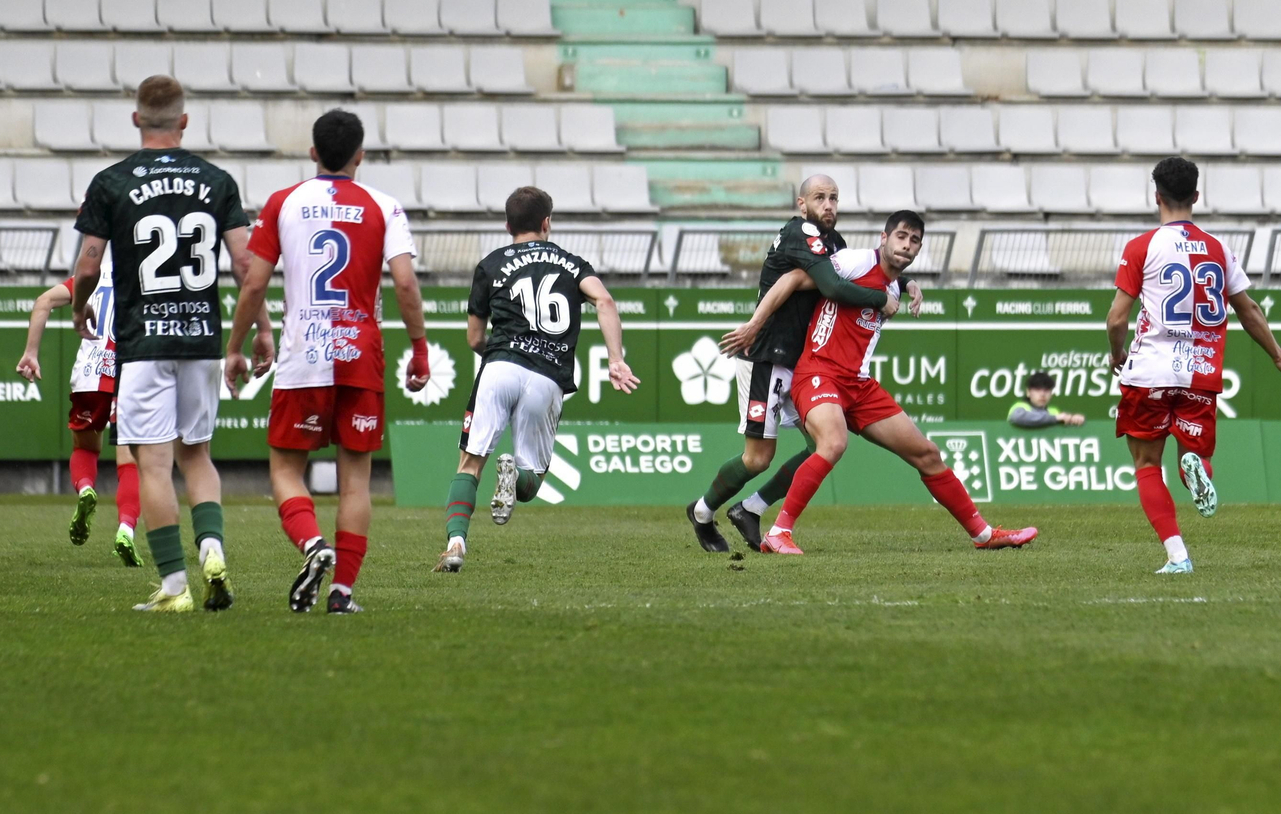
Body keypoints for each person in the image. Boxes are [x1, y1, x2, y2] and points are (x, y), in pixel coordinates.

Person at [71, 75, 274, 612]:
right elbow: (247, 266)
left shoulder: (111, 181)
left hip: (143, 343)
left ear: (136, 119)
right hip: (202, 339)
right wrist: (262, 327)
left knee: (154, 463)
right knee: (198, 455)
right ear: (184, 121)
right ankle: (212, 550)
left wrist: (78, 304)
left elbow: (89, 264)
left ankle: (175, 588)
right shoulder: (217, 180)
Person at [730, 211, 1038, 556]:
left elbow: (892, 278)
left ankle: (984, 535)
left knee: (928, 454)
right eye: (901, 237)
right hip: (818, 372)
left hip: (858, 385)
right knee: (832, 443)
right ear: (884, 237)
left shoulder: (895, 282)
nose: (906, 245)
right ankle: (779, 532)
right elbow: (794, 278)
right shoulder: (854, 260)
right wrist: (755, 323)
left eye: (914, 241)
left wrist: (908, 283)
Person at [225, 109, 431, 615]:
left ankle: (313, 545)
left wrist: (237, 345)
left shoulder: (282, 202)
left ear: (313, 152)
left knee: (285, 469)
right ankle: (342, 593)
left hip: (304, 354)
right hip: (360, 353)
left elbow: (254, 281)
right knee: (356, 479)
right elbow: (405, 283)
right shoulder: (385, 206)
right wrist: (420, 345)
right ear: (360, 155)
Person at [686, 174, 915, 554]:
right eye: (820, 198)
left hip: (802, 364)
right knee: (758, 459)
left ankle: (751, 509)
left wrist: (906, 283)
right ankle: (702, 512)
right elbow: (832, 287)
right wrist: (880, 299)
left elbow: (871, 267)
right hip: (767, 357)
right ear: (801, 203)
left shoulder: (834, 243)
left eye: (834, 199)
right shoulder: (801, 233)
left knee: (824, 445)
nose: (829, 206)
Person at [1107, 156, 1281, 574]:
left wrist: (1116, 354)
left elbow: (1117, 318)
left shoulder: (1142, 247)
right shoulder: (1218, 248)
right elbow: (1248, 310)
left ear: (1155, 195)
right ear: (1196, 195)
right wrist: (1277, 354)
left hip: (1149, 372)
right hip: (1200, 373)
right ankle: (1195, 468)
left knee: (1146, 465)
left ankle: (1178, 556)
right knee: (1193, 453)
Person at [440, 186, 638, 574]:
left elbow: (475, 338)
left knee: (469, 463)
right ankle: (514, 477)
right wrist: (616, 359)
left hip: (501, 366)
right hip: (547, 377)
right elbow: (605, 302)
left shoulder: (491, 264)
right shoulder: (571, 263)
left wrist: (500, 356)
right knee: (534, 479)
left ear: (508, 224)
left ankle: (456, 543)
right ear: (547, 222)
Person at [16, 251, 143, 565]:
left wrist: (31, 353)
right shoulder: (149, 277)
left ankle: (86, 488)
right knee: (132, 462)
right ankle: (126, 528)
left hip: (89, 375)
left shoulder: (93, 277)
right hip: (131, 374)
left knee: (85, 448)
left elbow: (43, 301)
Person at [1007, 372, 1086, 430]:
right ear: (1028, 392)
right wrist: (1055, 418)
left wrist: (1073, 419)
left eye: (1047, 390)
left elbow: (1062, 423)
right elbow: (1018, 418)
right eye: (1037, 390)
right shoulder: (1019, 407)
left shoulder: (1053, 411)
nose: (1042, 394)